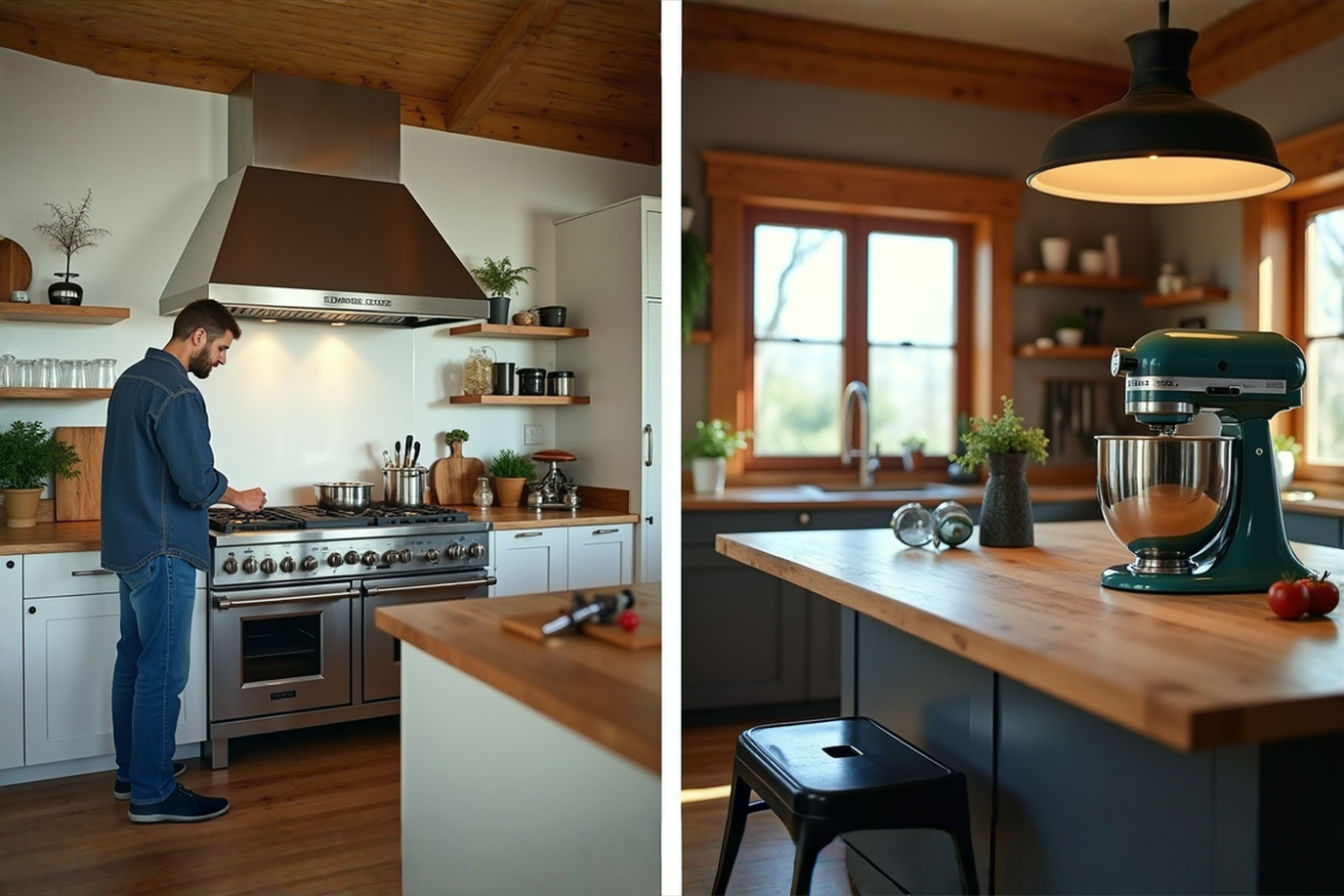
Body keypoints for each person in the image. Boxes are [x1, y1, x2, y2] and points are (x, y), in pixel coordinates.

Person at [101, 298, 266, 823]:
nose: (221, 360)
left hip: (131, 545)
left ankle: (133, 774)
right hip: (165, 547)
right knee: (163, 673)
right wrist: (235, 494)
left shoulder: (131, 380)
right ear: (197, 336)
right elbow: (195, 482)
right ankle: (153, 794)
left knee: (133, 661)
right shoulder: (177, 391)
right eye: (220, 348)